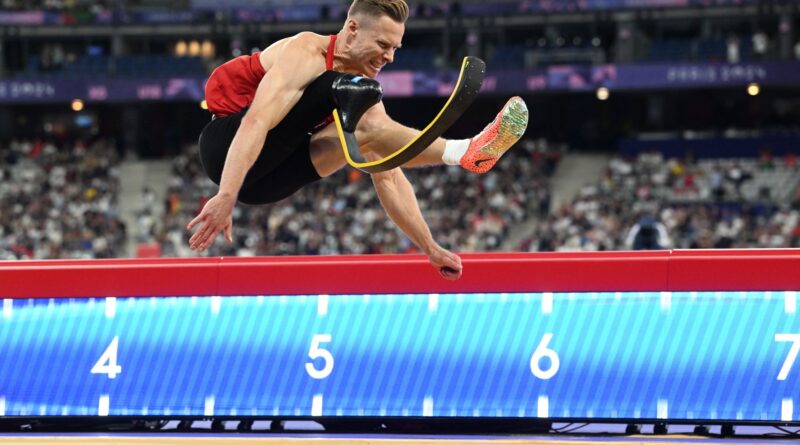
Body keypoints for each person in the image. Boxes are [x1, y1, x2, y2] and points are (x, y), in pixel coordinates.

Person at [187, 0, 529, 280]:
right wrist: (226, 195)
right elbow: (256, 122)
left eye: (395, 48)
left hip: (267, 185)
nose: (390, 57)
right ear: (352, 29)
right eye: (382, 44)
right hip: (225, 146)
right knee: (346, 87)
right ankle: (464, 151)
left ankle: (467, 153)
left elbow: (389, 173)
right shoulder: (307, 51)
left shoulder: (359, 88)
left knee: (367, 129)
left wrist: (430, 247)